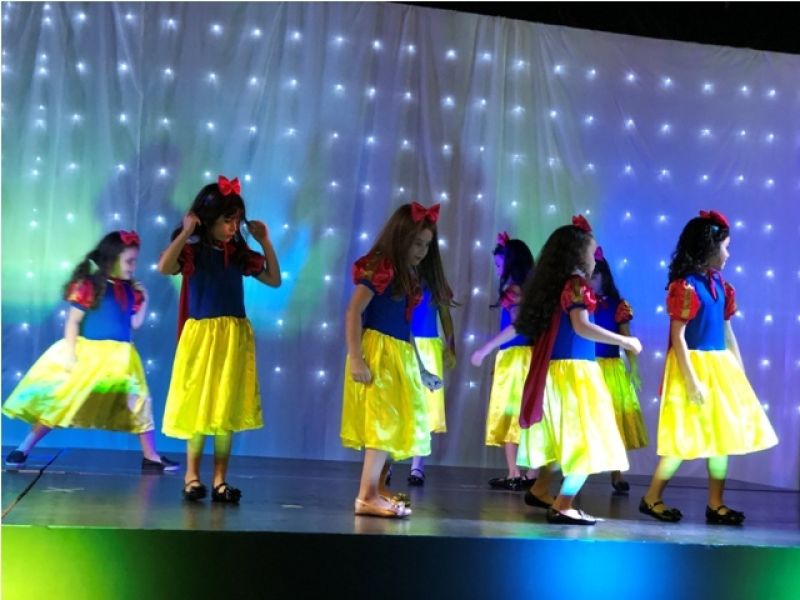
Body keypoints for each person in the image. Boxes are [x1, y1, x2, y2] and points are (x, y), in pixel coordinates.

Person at [640, 210, 778, 525]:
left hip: (718, 366)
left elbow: (727, 331)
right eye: (726, 247)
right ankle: (651, 496)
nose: (728, 254)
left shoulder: (720, 285)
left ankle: (716, 503)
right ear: (709, 247)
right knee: (684, 437)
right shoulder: (685, 286)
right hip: (692, 365)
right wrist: (690, 380)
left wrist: (739, 370)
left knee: (721, 436)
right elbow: (678, 336)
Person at [4, 230, 178, 472]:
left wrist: (145, 300)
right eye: (129, 261)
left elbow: (134, 323)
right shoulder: (91, 286)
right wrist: (70, 352)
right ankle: (24, 447)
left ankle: (151, 456)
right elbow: (73, 321)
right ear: (112, 260)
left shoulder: (131, 290)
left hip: (120, 358)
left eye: (134, 261)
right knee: (61, 400)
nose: (133, 266)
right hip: (90, 355)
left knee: (139, 402)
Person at [157, 176, 281, 503]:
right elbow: (164, 266)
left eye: (236, 221)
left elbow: (274, 279)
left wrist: (265, 242)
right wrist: (186, 231)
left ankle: (220, 480)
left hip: (233, 336)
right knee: (200, 405)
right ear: (209, 218)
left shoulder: (237, 253)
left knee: (226, 408)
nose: (233, 227)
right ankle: (191, 476)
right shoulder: (193, 251)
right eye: (228, 220)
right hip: (202, 336)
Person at [341, 202, 454, 518]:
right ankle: (366, 496)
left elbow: (406, 329)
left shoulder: (408, 274)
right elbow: (353, 311)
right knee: (383, 423)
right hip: (379, 352)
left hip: (399, 353)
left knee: (394, 422)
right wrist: (356, 358)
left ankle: (376, 489)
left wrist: (422, 368)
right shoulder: (382, 267)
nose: (422, 251)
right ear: (401, 237)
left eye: (426, 245)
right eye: (417, 243)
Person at [589, 247, 648, 493]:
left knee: (616, 420)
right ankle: (577, 472)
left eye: (594, 276)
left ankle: (617, 473)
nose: (590, 281)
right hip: (587, 368)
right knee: (587, 419)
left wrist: (634, 367)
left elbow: (627, 339)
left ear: (604, 277)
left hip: (611, 368)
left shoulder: (617, 305)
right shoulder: (581, 305)